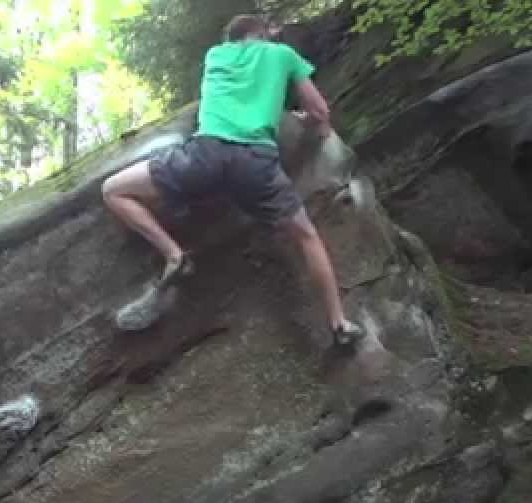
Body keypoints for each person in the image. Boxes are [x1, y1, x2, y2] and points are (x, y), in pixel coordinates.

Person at [102, 14, 365, 346]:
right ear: (264, 32)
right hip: (256, 163)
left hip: (205, 155)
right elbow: (319, 111)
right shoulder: (282, 54)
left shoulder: (216, 55)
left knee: (114, 190)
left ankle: (174, 255)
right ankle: (339, 324)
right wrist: (309, 121)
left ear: (232, 39)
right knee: (307, 236)